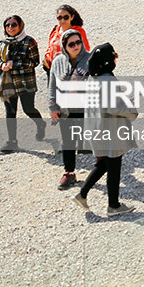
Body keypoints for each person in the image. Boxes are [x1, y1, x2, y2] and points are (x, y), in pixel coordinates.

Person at [69, 43, 135, 215]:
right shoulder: (108, 80)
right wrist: (131, 109)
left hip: (96, 127)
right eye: (113, 56)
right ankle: (113, 206)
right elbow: (112, 107)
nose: (115, 58)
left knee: (105, 164)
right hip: (110, 130)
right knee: (113, 167)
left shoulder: (92, 77)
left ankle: (82, 194)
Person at [0, 14, 44, 154]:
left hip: (25, 83)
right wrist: (1, 65)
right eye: (7, 25)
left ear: (20, 26)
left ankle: (40, 124)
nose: (10, 27)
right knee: (10, 112)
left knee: (29, 109)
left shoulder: (29, 41)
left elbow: (34, 62)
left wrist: (13, 64)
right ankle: (12, 141)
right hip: (7, 83)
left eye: (14, 24)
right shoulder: (3, 43)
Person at [48, 30, 90, 190]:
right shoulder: (58, 61)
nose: (76, 46)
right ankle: (69, 172)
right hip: (66, 109)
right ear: (64, 46)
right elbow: (52, 85)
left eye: (78, 42)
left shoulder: (90, 59)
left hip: (88, 109)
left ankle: (102, 170)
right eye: (71, 44)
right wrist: (52, 106)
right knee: (68, 142)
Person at [44, 4, 90, 73]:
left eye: (66, 17)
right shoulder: (55, 30)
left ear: (72, 17)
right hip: (52, 69)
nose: (62, 20)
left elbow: (85, 49)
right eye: (59, 17)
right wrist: (47, 59)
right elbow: (50, 48)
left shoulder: (78, 32)